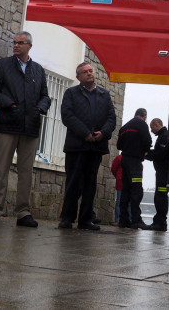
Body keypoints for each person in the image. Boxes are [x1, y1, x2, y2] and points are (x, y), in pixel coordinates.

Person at [0, 31, 51, 228]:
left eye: (20, 43)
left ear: (29, 45)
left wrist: (40, 108)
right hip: (5, 124)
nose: (16, 46)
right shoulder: (3, 65)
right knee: (0, 170)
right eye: (14, 43)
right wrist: (10, 104)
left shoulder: (38, 70)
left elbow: (45, 96)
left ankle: (23, 212)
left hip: (30, 127)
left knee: (26, 172)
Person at [57, 62, 116, 231]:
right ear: (78, 77)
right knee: (73, 182)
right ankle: (67, 218)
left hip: (96, 147)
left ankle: (85, 220)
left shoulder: (104, 95)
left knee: (90, 184)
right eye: (85, 72)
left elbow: (111, 118)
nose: (89, 73)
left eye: (91, 70)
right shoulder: (71, 93)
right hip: (77, 146)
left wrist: (102, 133)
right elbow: (67, 116)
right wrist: (85, 133)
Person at [117, 108, 152, 230]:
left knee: (125, 190)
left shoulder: (124, 127)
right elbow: (148, 140)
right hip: (135, 161)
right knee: (136, 190)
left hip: (125, 160)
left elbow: (119, 145)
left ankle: (123, 220)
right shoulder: (142, 124)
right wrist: (144, 150)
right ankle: (136, 220)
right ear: (145, 116)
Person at [148, 117, 169, 232]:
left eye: (152, 128)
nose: (151, 131)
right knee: (160, 195)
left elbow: (159, 154)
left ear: (156, 124)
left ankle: (160, 222)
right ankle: (159, 220)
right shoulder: (163, 136)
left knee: (161, 196)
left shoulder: (164, 137)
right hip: (162, 171)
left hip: (163, 172)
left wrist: (146, 154)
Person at [110, 153, 126, 226]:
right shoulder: (121, 158)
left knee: (119, 202)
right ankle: (128, 220)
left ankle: (118, 220)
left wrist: (118, 176)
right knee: (128, 203)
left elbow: (114, 168)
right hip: (124, 182)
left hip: (120, 181)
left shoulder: (119, 157)